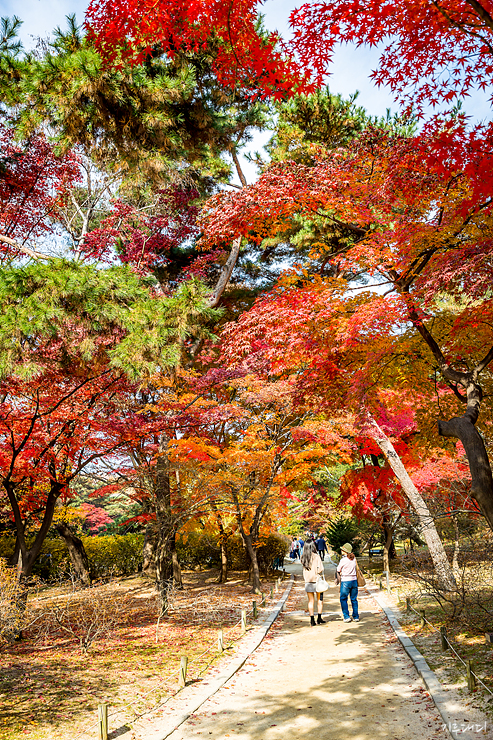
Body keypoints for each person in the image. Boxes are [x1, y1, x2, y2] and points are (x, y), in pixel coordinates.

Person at [301, 539, 326, 626]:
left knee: (310, 601)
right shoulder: (316, 556)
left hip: (308, 582)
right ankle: (319, 618)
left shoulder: (303, 557)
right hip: (317, 581)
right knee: (320, 600)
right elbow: (321, 569)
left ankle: (312, 620)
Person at [337, 542, 359, 623]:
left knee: (343, 598)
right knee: (354, 599)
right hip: (354, 580)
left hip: (346, 581)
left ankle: (346, 616)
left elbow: (338, 569)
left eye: (342, 549)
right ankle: (356, 616)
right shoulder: (353, 559)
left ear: (345, 551)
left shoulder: (343, 560)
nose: (341, 550)